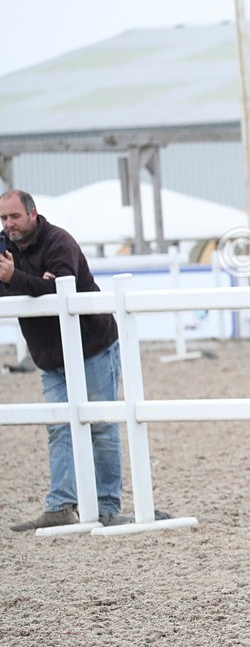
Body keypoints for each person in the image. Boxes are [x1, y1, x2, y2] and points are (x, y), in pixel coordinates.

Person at [0, 189, 126, 530]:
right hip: (49, 357)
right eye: (4, 218)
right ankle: (60, 505)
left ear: (33, 214)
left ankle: (107, 507)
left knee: (101, 425)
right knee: (58, 427)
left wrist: (15, 280)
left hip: (92, 346)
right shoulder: (4, 247)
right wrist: (26, 283)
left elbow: (60, 289)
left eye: (14, 216)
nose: (9, 224)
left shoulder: (59, 242)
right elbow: (25, 289)